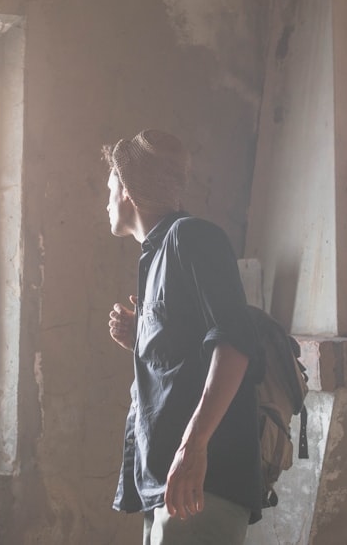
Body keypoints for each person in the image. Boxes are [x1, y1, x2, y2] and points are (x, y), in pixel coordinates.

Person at [103, 129, 262, 545]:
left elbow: (235, 343)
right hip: (169, 483)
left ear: (127, 191)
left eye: (109, 188)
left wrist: (193, 447)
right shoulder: (156, 255)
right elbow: (187, 356)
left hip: (201, 482)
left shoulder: (192, 237)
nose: (105, 200)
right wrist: (142, 338)